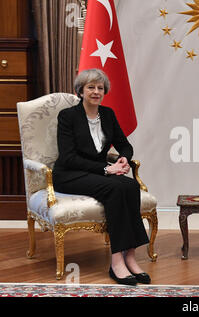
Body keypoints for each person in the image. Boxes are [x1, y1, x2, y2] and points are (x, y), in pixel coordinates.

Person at [52, 68, 150, 286]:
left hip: (95, 171)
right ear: (80, 91)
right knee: (115, 188)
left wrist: (123, 159)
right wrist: (107, 169)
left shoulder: (108, 114)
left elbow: (125, 145)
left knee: (131, 186)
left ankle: (130, 257)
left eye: (100, 88)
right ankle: (116, 261)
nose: (96, 91)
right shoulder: (68, 116)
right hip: (69, 174)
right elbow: (68, 158)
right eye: (90, 87)